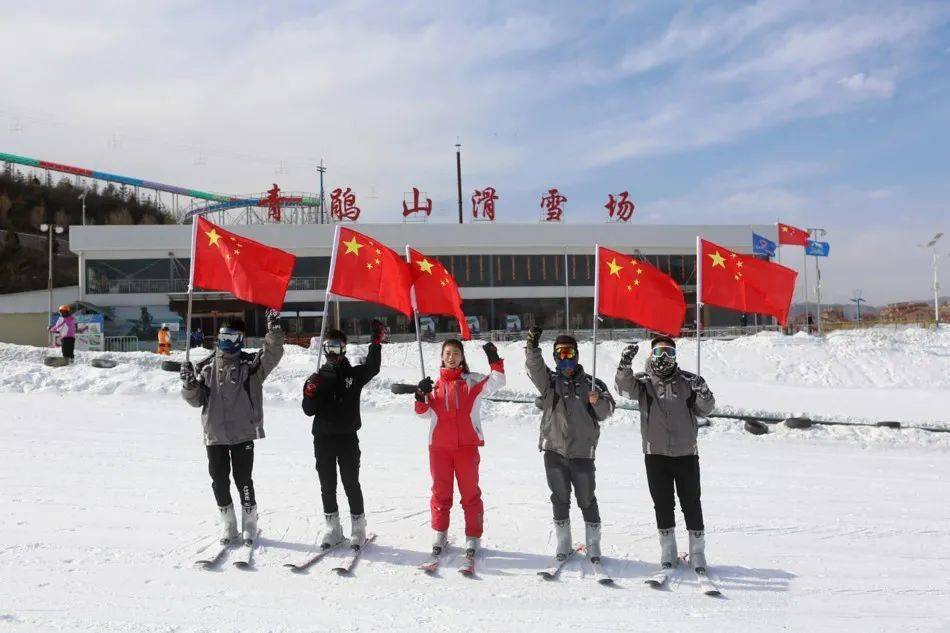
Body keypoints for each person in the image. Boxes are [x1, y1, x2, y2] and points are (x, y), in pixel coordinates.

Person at [180, 311, 284, 547]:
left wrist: (274, 331)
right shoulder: (205, 367)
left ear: (240, 340)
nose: (226, 342)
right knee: (219, 480)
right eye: (223, 337)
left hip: (242, 433)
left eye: (232, 337)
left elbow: (273, 354)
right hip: (215, 434)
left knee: (243, 479)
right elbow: (196, 400)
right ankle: (228, 522)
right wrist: (189, 384)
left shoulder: (251, 365)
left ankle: (249, 521)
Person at [613, 335, 716, 574]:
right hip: (656, 453)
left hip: (686, 453)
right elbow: (622, 388)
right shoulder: (644, 382)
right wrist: (624, 365)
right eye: (660, 353)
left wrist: (704, 392)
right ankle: (668, 550)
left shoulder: (689, 381)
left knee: (691, 502)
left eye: (670, 354)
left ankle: (697, 552)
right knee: (663, 503)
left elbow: (705, 410)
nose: (665, 359)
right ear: (652, 356)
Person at [525, 327, 615, 563]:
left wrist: (597, 402)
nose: (566, 358)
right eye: (561, 353)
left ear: (577, 355)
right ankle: (563, 542)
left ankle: (593, 544)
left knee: (586, 498)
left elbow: (607, 411)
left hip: (583, 452)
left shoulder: (592, 383)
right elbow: (535, 368)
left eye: (569, 352)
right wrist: (532, 347)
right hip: (555, 450)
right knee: (560, 497)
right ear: (555, 356)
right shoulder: (549, 383)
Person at [413, 339, 505, 559]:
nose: (451, 357)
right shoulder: (432, 385)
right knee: (441, 492)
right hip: (439, 449)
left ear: (462, 357)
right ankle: (440, 533)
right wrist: (420, 395)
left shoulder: (472, 382)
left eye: (455, 353)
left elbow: (498, 381)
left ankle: (473, 536)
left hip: (466, 447)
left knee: (470, 493)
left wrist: (493, 358)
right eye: (447, 353)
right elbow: (422, 413)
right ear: (442, 357)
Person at [301, 320, 385, 550]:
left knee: (350, 482)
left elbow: (372, 367)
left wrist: (375, 343)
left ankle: (358, 528)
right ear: (324, 350)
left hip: (347, 437)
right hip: (323, 438)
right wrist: (310, 393)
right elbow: (308, 411)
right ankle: (333, 528)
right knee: (327, 484)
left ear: (345, 349)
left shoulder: (352, 375)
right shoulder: (316, 378)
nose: (333, 353)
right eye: (329, 348)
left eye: (338, 348)